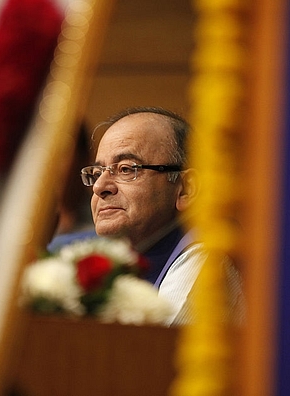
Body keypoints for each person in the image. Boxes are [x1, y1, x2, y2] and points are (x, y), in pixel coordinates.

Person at [80, 106, 244, 325]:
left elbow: (148, 356)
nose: (100, 186)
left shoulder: (206, 264)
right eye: (98, 172)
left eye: (126, 169)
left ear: (185, 189)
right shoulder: (116, 264)